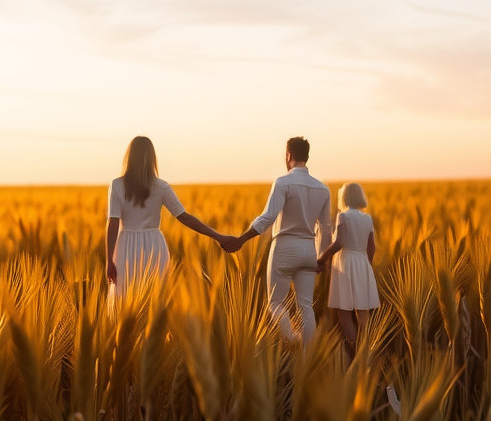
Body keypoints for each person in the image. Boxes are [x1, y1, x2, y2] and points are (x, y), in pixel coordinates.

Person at [224, 137, 332, 343]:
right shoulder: (322, 188)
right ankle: (308, 357)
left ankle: (292, 340)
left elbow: (268, 218)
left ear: (288, 155)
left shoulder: (283, 183)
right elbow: (325, 227)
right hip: (309, 248)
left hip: (284, 247)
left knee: (275, 303)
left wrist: (242, 239)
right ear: (307, 156)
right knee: (306, 306)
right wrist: (322, 256)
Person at [107, 136, 231, 297]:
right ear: (152, 158)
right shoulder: (161, 186)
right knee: (155, 297)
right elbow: (184, 217)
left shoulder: (116, 185)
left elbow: (113, 223)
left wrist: (109, 260)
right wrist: (218, 236)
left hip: (125, 246)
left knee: (123, 296)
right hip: (154, 246)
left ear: (129, 156)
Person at [318, 182, 379, 357]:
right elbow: (372, 246)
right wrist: (367, 264)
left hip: (345, 261)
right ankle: (366, 348)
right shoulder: (367, 218)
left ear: (344, 197)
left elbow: (339, 243)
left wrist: (322, 257)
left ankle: (354, 351)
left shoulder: (343, 216)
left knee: (343, 309)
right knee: (362, 309)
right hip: (362, 261)